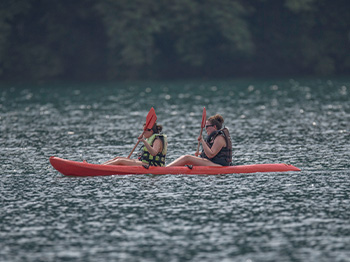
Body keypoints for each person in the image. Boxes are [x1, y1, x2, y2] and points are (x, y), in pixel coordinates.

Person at [166, 114, 232, 167]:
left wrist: (202, 141)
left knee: (187, 158)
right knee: (189, 160)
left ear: (214, 127)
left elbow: (211, 155)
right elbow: (214, 153)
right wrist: (201, 153)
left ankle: (166, 169)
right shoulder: (214, 138)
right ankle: (171, 169)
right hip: (213, 163)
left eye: (207, 126)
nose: (206, 129)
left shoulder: (220, 138)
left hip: (219, 166)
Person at [103, 123, 167, 166]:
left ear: (151, 131)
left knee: (120, 161)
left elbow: (154, 153)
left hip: (152, 165)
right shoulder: (150, 138)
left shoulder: (157, 140)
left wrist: (144, 141)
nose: (143, 133)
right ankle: (100, 166)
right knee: (117, 158)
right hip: (145, 162)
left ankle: (101, 168)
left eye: (144, 131)